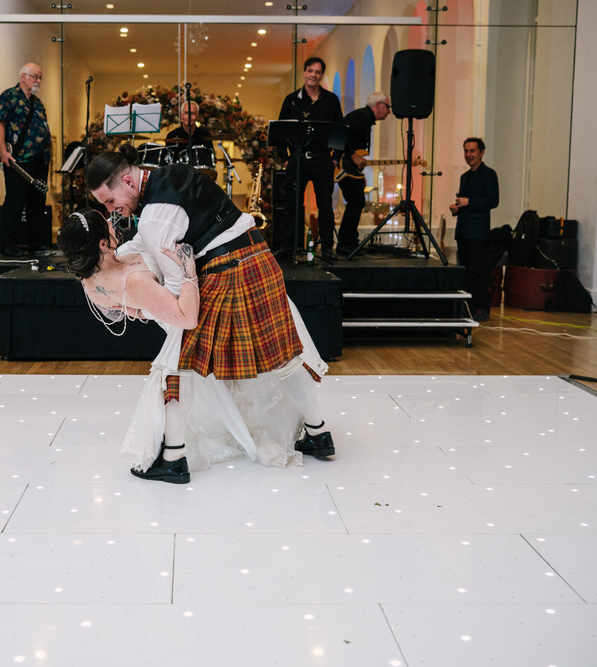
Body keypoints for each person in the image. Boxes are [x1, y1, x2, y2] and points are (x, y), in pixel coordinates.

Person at [82, 145, 336, 483]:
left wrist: (140, 306)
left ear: (127, 181)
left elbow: (177, 293)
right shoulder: (168, 175)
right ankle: (318, 434)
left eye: (110, 201)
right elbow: (149, 239)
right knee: (283, 352)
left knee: (180, 360)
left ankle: (173, 459)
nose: (111, 210)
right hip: (258, 256)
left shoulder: (155, 214)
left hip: (227, 270)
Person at [276, 56, 345, 261]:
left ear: (321, 75)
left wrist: (335, 159)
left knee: (325, 206)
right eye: (310, 71)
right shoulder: (291, 100)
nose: (313, 75)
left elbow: (340, 131)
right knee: (292, 205)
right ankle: (289, 247)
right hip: (297, 160)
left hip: (323, 160)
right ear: (304, 73)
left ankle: (327, 248)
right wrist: (285, 159)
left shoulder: (330, 100)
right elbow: (280, 131)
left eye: (317, 72)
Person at [0, 62, 52, 257]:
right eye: (35, 76)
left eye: (40, 77)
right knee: (15, 201)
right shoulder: (8, 96)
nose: (38, 81)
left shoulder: (38, 103)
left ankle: (37, 243)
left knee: (37, 202)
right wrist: (3, 151)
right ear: (23, 76)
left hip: (40, 160)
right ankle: (8, 244)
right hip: (18, 160)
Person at [336, 92, 392, 257]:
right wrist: (353, 155)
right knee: (356, 202)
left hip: (350, 167)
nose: (389, 111)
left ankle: (350, 242)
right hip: (345, 165)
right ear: (378, 105)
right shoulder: (362, 117)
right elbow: (341, 132)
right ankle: (346, 243)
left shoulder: (364, 118)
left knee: (357, 202)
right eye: (387, 107)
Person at [449, 137, 499, 321]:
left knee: (478, 271)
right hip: (463, 230)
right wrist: (456, 209)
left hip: (477, 232)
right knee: (466, 271)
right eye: (466, 151)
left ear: (481, 153)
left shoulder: (489, 174)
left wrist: (469, 202)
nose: (469, 155)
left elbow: (493, 201)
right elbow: (465, 203)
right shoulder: (465, 176)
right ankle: (468, 306)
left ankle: (481, 307)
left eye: (472, 151)